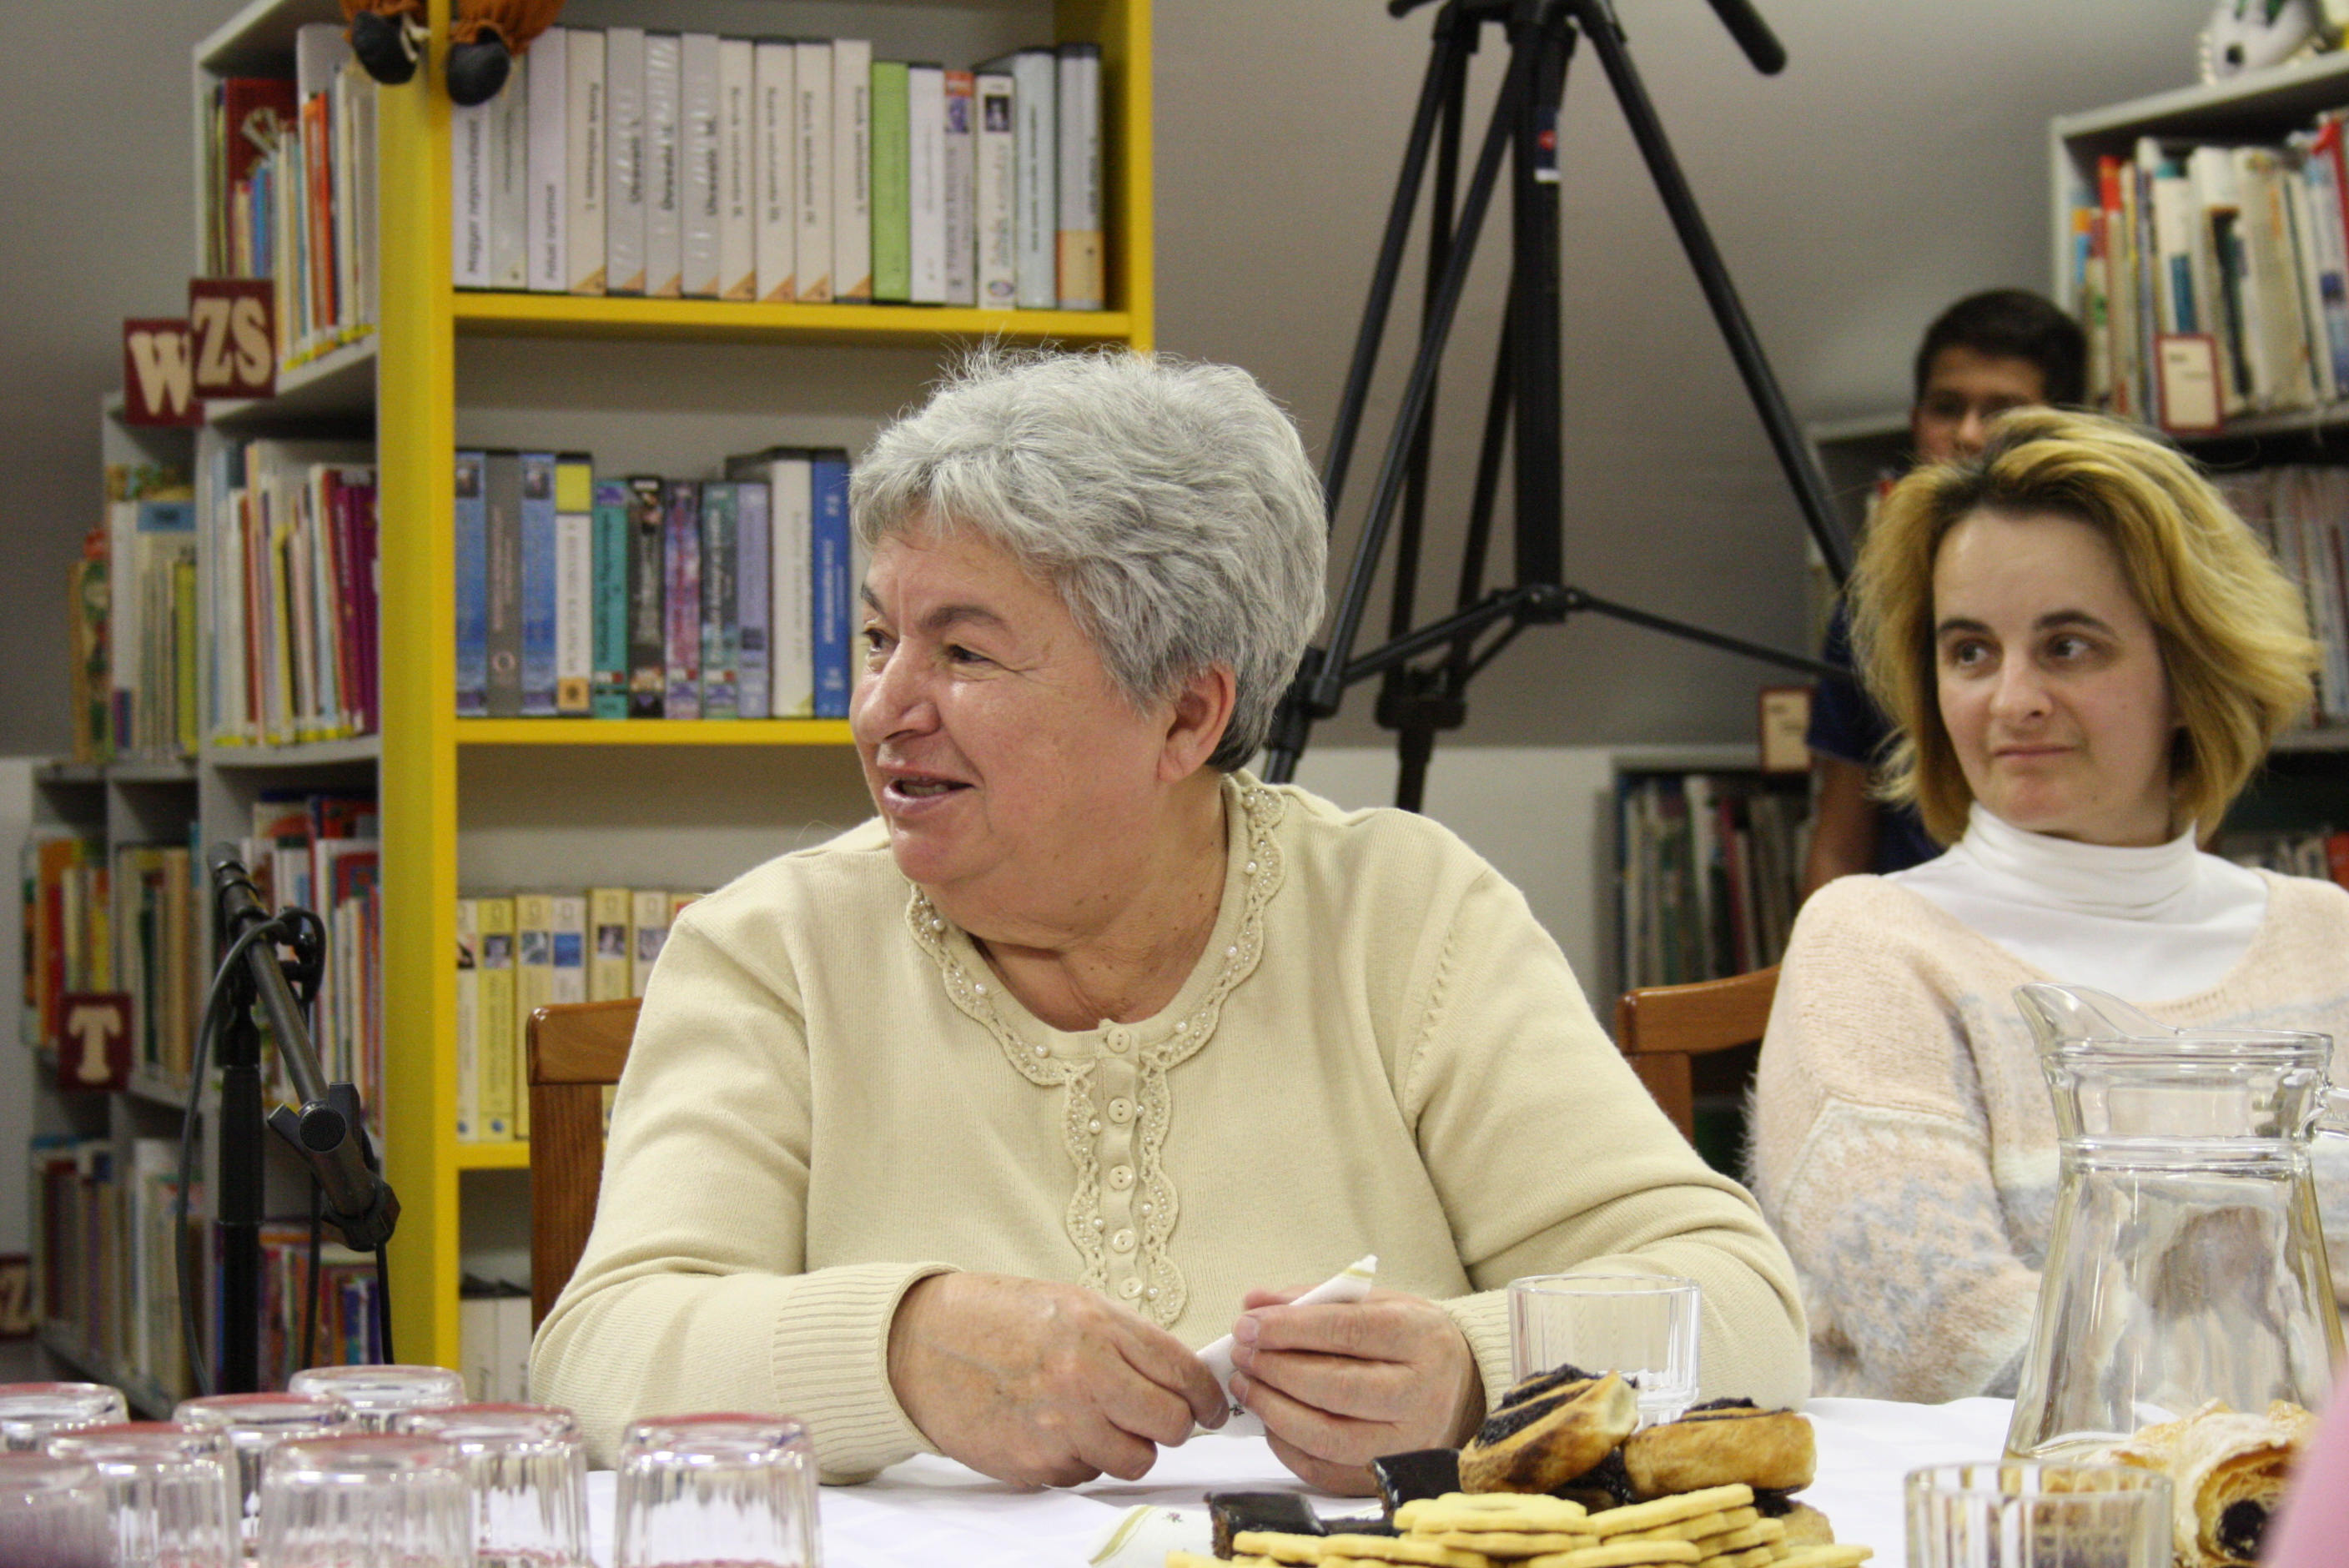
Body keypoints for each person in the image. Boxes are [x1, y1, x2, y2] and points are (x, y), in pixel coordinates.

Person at [532, 350, 1810, 1490]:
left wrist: (1475, 1374)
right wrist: (906, 1349)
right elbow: (600, 1354)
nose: (884, 710)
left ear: (1188, 717)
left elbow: (1744, 1304)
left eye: (964, 653)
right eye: (880, 639)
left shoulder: (1404, 917)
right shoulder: (774, 952)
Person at [1749, 405, 2349, 1402]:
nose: (2010, 699)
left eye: (2067, 646)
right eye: (1969, 652)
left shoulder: (2326, 936)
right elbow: (1949, 1331)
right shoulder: (1870, 943)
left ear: (2189, 668)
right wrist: (2277, 1405)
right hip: (1999, 1492)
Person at [1798, 289, 2089, 900]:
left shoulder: (2123, 588)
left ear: (2066, 426)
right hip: (1922, 929)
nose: (1968, 435)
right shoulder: (1871, 607)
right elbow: (1841, 839)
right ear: (1915, 420)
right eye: (1946, 408)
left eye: (2003, 411)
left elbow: (2186, 813)